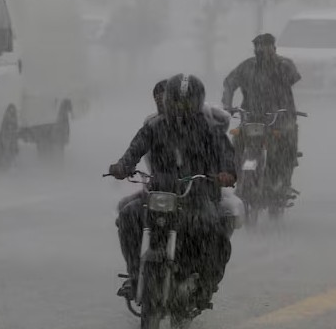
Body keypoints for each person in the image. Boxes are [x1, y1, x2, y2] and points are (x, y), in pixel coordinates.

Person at [109, 74, 237, 309]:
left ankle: (205, 284)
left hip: (196, 196)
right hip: (158, 194)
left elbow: (227, 155)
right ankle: (135, 274)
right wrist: (122, 165)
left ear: (197, 102)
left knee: (215, 232)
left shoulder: (210, 130)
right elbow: (135, 149)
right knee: (128, 216)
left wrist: (227, 172)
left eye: (186, 102)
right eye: (176, 101)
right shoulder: (154, 127)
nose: (180, 107)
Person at [221, 33, 301, 191]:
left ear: (274, 47)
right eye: (258, 46)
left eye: (265, 46)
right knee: (237, 142)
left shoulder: (284, 65)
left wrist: (275, 67)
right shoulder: (247, 66)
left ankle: (282, 182)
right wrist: (228, 106)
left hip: (280, 117)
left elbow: (291, 77)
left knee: (286, 144)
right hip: (251, 117)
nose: (261, 49)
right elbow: (230, 83)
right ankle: (235, 177)